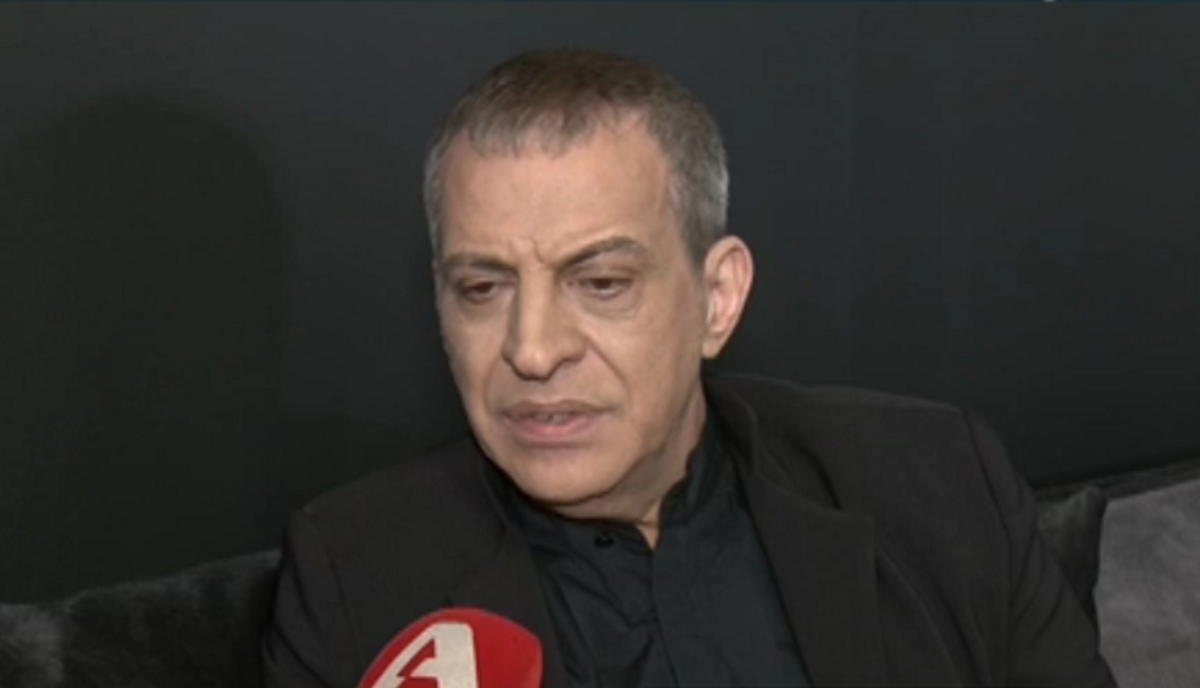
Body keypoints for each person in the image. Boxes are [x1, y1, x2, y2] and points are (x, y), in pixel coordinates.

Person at [262, 48, 1114, 688]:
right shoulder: (357, 579)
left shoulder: (938, 484)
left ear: (717, 299)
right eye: (482, 289)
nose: (532, 349)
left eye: (601, 283)